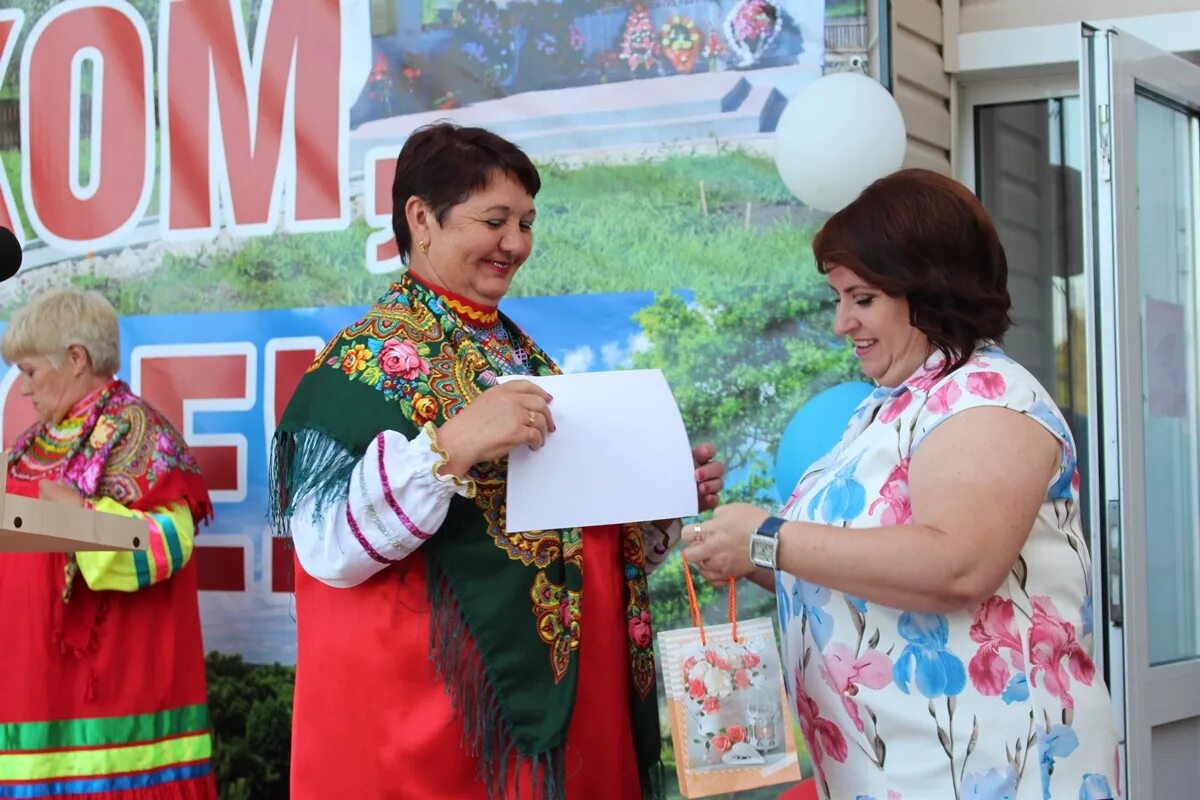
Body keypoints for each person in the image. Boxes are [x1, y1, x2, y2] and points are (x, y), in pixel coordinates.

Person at [270, 122, 725, 800]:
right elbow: (324, 546)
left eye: (527, 223)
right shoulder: (357, 367)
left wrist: (652, 498)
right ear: (421, 218)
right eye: (495, 220)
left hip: (563, 716)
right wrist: (450, 446)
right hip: (436, 725)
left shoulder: (523, 357)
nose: (515, 243)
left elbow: (567, 540)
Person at [684, 169, 1119, 799]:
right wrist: (737, 547)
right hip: (900, 770)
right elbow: (858, 567)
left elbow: (957, 564)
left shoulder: (985, 397)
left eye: (861, 299)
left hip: (987, 772)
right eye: (838, 299)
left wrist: (767, 540)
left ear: (931, 289)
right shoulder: (891, 404)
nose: (841, 323)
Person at [0, 289, 217, 798]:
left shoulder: (139, 432)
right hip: (29, 695)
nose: (24, 388)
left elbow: (170, 542)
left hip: (112, 709)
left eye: (30, 371)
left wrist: (82, 517)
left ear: (76, 358)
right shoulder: (32, 443)